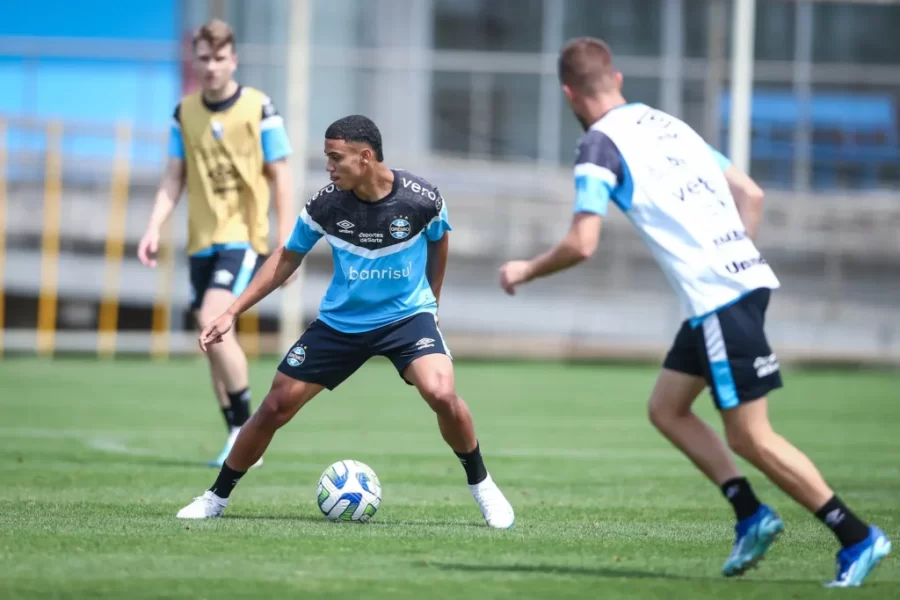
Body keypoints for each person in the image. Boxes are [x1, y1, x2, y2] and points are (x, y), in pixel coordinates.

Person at [498, 37, 890, 586]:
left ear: (568, 92)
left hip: (718, 298)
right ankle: (750, 513)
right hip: (738, 283)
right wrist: (733, 259)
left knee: (751, 437)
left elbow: (582, 244)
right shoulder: (665, 123)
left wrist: (525, 269)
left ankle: (856, 536)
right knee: (667, 408)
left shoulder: (597, 146)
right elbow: (749, 193)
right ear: (618, 79)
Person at [175, 115, 515, 528]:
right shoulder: (326, 205)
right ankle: (215, 498)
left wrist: (432, 302)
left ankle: (483, 487)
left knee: (441, 393)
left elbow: (439, 238)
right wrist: (231, 311)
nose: (329, 167)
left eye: (336, 158)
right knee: (275, 406)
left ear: (365, 157)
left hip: (406, 318)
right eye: (327, 158)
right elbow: (286, 257)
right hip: (341, 323)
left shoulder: (422, 198)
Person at [137, 19, 294, 468]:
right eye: (203, 58)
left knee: (213, 317)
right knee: (210, 341)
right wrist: (152, 227)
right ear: (195, 60)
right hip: (201, 242)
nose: (211, 67)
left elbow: (281, 175)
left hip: (244, 237)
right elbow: (173, 177)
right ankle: (234, 432)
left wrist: (286, 242)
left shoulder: (260, 108)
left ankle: (248, 434)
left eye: (219, 58)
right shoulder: (183, 113)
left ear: (234, 60)